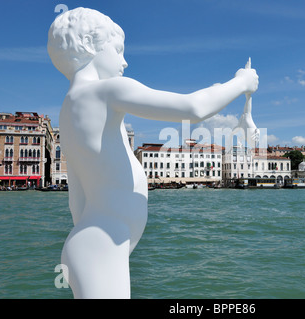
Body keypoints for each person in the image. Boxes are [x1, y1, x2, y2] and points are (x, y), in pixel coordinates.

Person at [48, 7, 258, 298]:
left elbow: (77, 200)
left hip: (90, 242)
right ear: (89, 45)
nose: (124, 61)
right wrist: (242, 82)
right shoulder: (107, 91)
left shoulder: (68, 108)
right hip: (102, 244)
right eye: (118, 49)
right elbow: (193, 109)